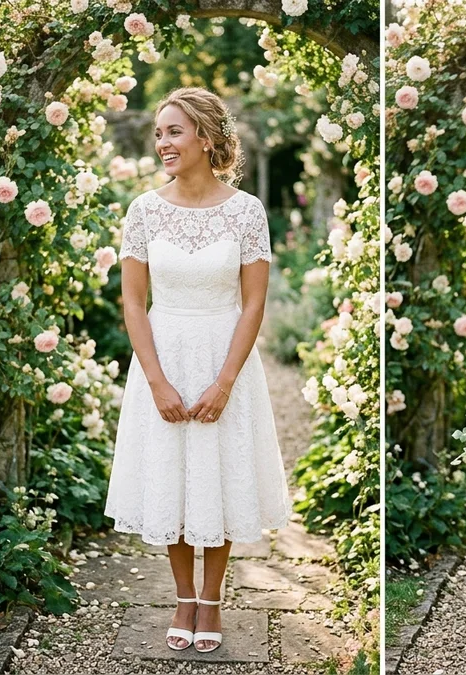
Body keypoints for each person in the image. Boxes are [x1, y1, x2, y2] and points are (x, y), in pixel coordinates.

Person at [104, 87, 291, 654]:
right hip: (163, 356)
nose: (163, 142)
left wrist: (224, 382)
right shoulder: (144, 210)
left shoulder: (245, 211)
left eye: (175, 131)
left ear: (206, 138)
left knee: (219, 475)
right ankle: (183, 596)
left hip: (223, 353)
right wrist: (157, 379)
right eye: (159, 133)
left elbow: (254, 302)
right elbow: (133, 302)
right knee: (174, 477)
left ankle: (212, 598)